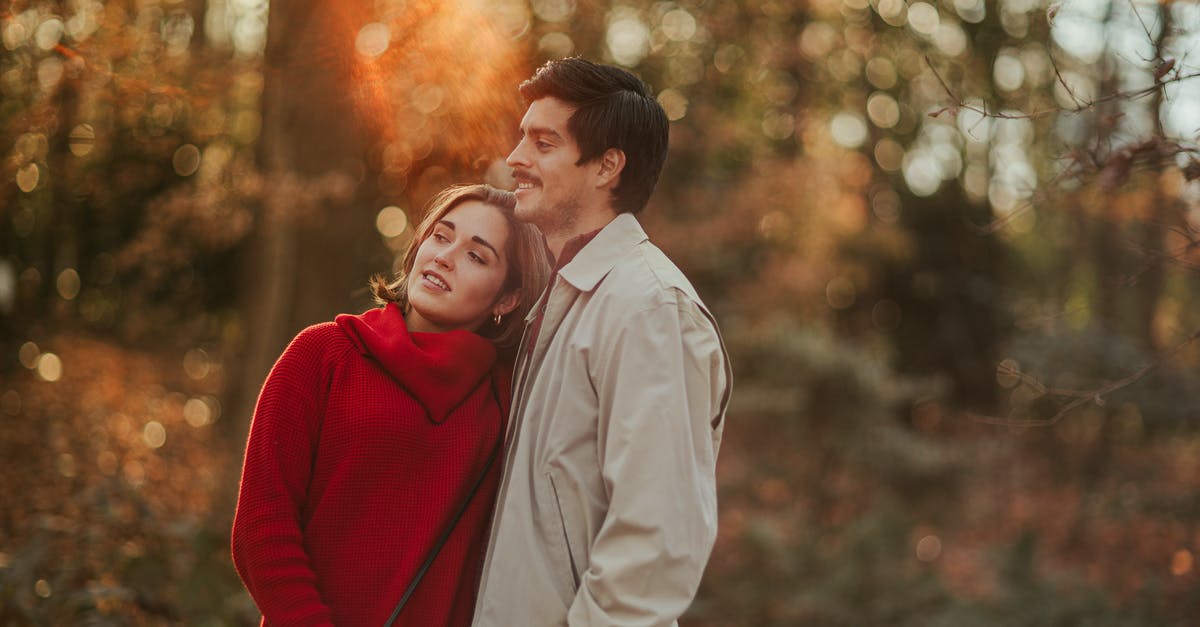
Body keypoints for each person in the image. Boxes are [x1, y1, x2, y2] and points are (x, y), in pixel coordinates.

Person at [472, 57, 733, 626]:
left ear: (607, 166)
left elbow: (657, 543)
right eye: (522, 139)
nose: (515, 159)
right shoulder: (562, 298)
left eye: (543, 143)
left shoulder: (650, 309)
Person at [231, 184, 550, 627]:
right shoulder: (322, 355)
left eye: (477, 256)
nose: (444, 256)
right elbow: (261, 530)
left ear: (507, 298)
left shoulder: (512, 402)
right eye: (441, 236)